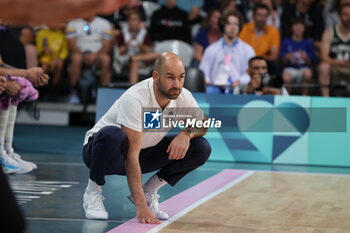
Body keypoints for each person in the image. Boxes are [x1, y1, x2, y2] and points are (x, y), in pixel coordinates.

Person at [82, 52, 211, 223]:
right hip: (105, 153)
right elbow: (130, 155)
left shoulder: (182, 96)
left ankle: (150, 191)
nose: (177, 84)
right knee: (111, 134)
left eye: (181, 77)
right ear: (156, 76)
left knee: (201, 147)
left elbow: (203, 122)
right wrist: (140, 206)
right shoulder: (135, 98)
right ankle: (92, 192)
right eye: (170, 77)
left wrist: (186, 134)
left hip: (144, 151)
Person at [199, 10, 255, 94]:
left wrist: (241, 81)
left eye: (236, 24)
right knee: (209, 91)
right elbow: (203, 71)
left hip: (238, 87)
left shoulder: (248, 49)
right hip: (215, 87)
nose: (233, 27)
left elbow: (251, 73)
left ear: (239, 27)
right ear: (223, 26)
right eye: (229, 23)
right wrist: (207, 81)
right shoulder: (211, 49)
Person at [66, 15, 113, 103]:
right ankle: (73, 92)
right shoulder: (73, 23)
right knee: (76, 58)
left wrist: (94, 55)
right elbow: (71, 45)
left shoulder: (104, 23)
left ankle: (105, 94)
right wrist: (85, 55)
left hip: (98, 54)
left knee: (106, 59)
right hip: (80, 53)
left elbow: (107, 46)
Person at [114, 9, 159, 84]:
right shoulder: (122, 34)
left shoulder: (144, 34)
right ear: (127, 22)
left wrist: (141, 47)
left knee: (158, 55)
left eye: (135, 20)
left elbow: (146, 52)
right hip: (126, 60)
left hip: (141, 58)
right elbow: (121, 52)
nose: (133, 22)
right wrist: (126, 47)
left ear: (139, 22)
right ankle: (132, 88)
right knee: (135, 62)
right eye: (130, 20)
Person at [239, 3, 280, 76]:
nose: (263, 18)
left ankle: (272, 86)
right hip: (247, 61)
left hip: (264, 61)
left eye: (265, 15)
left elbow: (274, 56)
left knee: (275, 65)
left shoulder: (273, 31)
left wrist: (261, 59)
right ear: (253, 17)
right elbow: (240, 49)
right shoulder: (245, 28)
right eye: (259, 15)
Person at [318, 3, 350, 97]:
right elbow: (323, 56)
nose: (349, 17)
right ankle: (326, 100)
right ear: (339, 16)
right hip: (335, 67)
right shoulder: (329, 33)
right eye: (346, 14)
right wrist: (337, 62)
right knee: (323, 67)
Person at [280, 18, 314, 95]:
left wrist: (305, 57)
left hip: (303, 68)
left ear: (304, 28)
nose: (299, 28)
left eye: (301, 25)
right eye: (296, 25)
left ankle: (305, 96)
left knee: (308, 73)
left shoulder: (308, 42)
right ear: (291, 27)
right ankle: (288, 96)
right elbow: (282, 61)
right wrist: (287, 57)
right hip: (289, 68)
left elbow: (311, 62)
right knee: (285, 77)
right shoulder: (285, 41)